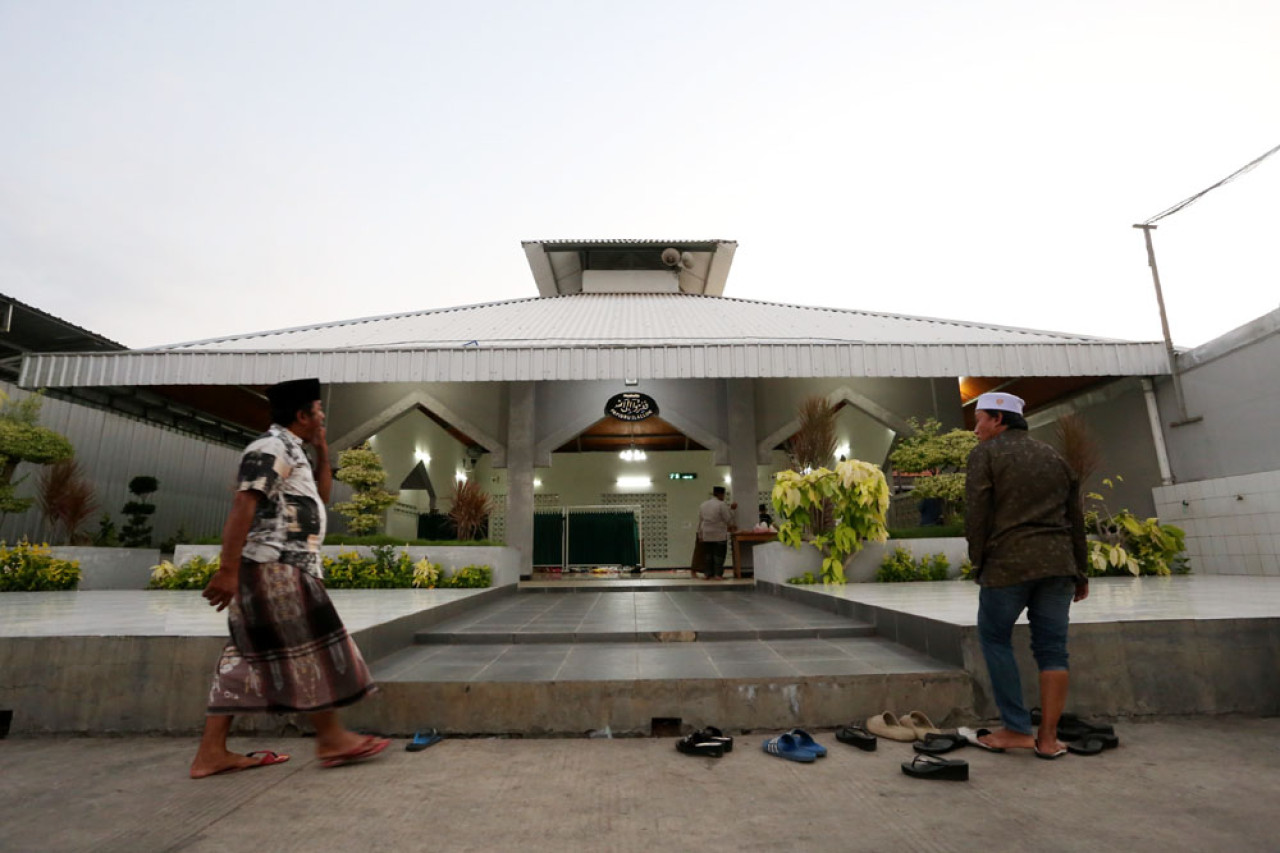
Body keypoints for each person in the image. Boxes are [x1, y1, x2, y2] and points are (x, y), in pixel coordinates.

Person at [190, 378, 388, 778]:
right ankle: (331, 737)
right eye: (318, 411)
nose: (322, 418)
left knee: (241, 660)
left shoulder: (293, 451)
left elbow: (322, 498)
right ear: (301, 415)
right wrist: (228, 571)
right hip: (277, 567)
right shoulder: (271, 448)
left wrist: (321, 452)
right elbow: (244, 502)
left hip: (276, 568)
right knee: (312, 646)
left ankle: (210, 752)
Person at [965, 391, 1089, 759]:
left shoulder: (985, 454)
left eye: (979, 420)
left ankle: (1017, 729)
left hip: (1008, 564)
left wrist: (978, 562)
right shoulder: (1055, 457)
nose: (975, 429)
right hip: (1058, 566)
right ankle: (1048, 740)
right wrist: (1080, 572)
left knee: (995, 638)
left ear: (998, 420)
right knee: (1053, 650)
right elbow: (1076, 520)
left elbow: (977, 516)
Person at [696, 486, 737, 580]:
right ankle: (718, 575)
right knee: (719, 555)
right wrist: (732, 510)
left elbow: (700, 520)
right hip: (718, 533)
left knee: (708, 555)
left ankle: (707, 574)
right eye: (723, 494)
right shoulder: (721, 504)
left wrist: (700, 534)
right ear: (720, 494)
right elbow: (728, 519)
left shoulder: (703, 504)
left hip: (706, 533)